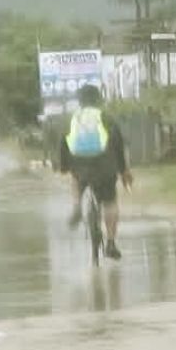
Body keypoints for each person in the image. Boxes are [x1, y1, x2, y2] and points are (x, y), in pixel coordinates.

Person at [58, 85, 133, 259]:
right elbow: (118, 145)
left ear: (80, 101)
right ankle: (111, 243)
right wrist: (123, 171)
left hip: (80, 164)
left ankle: (76, 207)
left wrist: (64, 167)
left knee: (76, 178)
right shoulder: (106, 118)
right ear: (98, 99)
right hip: (104, 166)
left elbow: (63, 142)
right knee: (110, 202)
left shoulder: (73, 119)